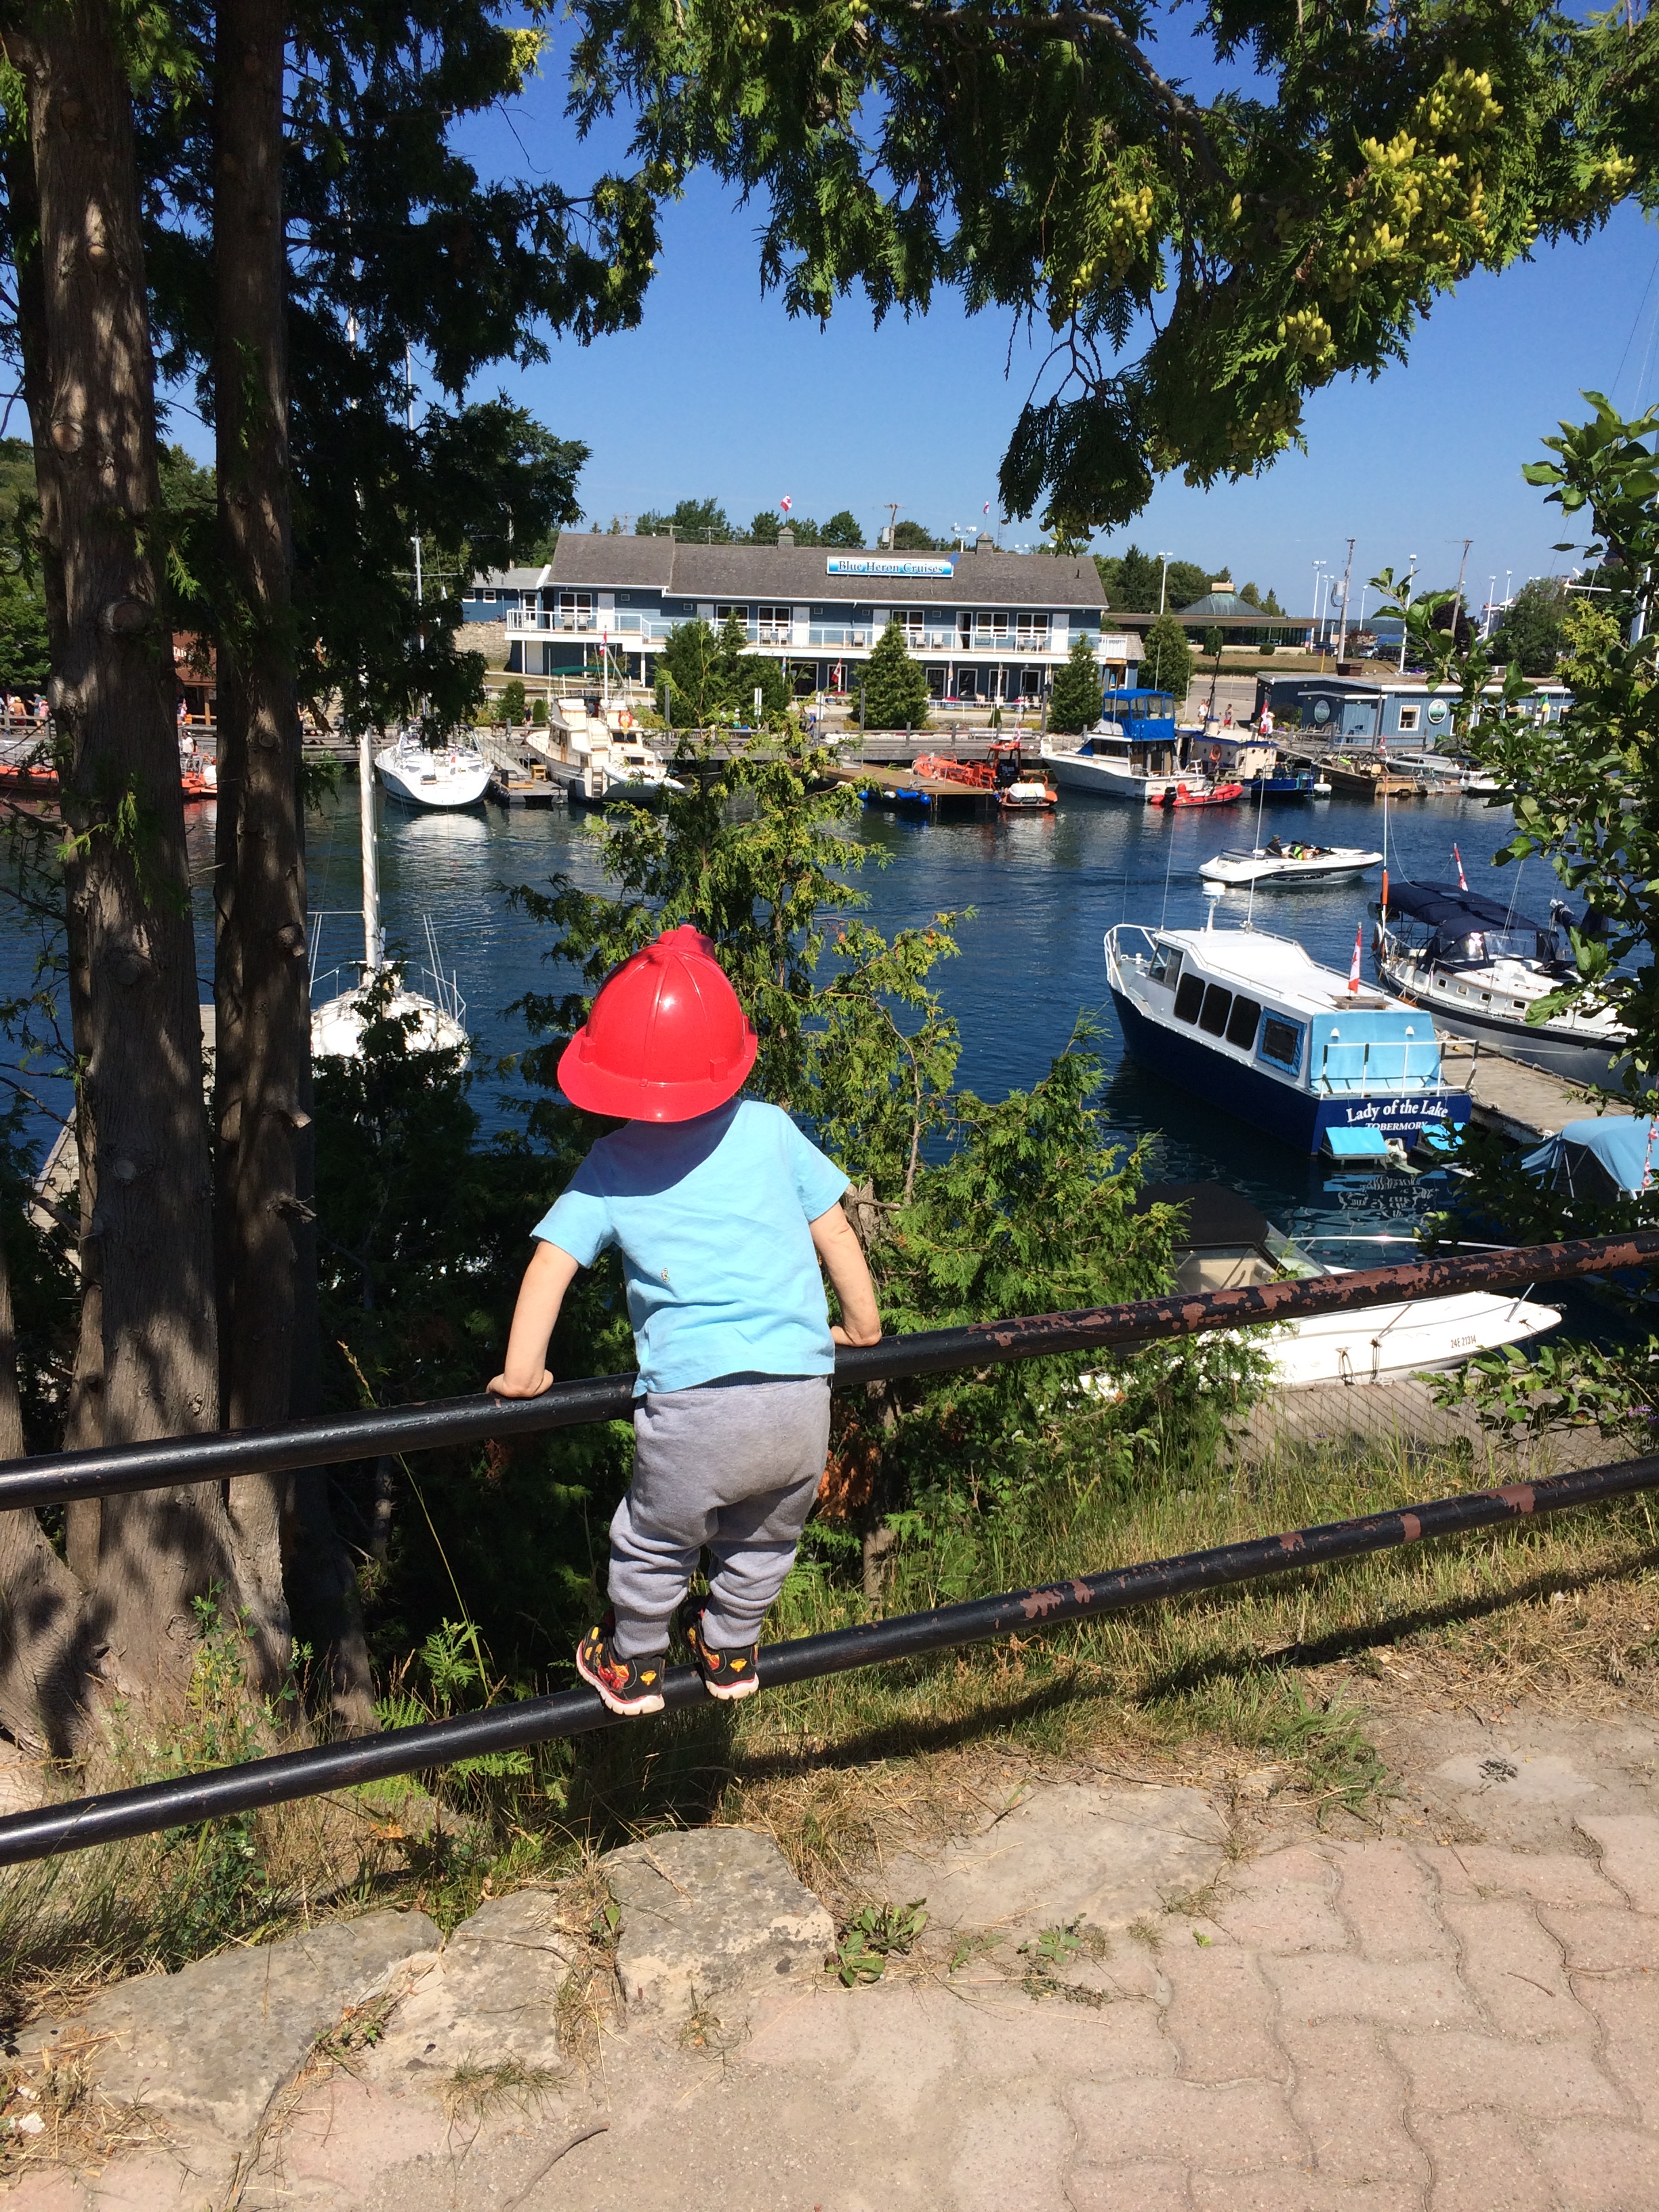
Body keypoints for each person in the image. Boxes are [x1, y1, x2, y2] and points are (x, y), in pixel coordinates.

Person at [489, 924, 882, 1718]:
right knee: (766, 1542)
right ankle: (731, 1649)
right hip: (801, 1397)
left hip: (695, 1410)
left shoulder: (610, 1165)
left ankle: (634, 1662)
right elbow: (836, 1231)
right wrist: (864, 1331)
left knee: (654, 1543)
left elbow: (550, 1265)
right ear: (729, 1054)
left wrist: (524, 1373)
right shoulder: (771, 1131)